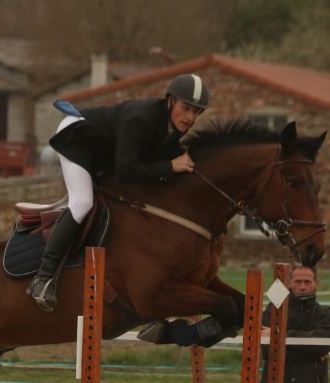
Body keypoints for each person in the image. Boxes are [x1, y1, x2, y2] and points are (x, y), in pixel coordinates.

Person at [27, 73, 209, 312]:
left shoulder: (170, 125)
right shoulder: (141, 119)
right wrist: (170, 167)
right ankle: (43, 278)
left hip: (104, 150)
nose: (190, 118)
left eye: (196, 112)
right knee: (82, 202)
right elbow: (126, 171)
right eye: (186, 108)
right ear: (171, 101)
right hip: (78, 139)